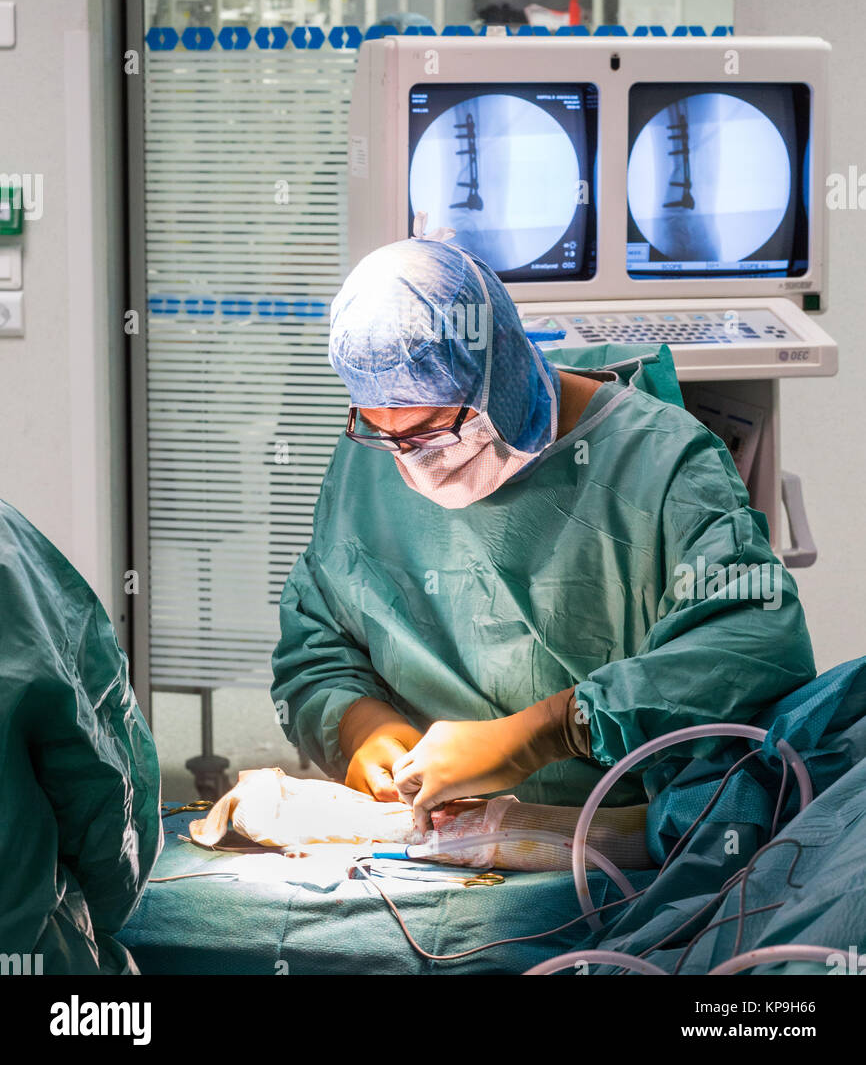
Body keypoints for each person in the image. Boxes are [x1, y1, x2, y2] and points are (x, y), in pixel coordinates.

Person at [271, 237, 815, 829]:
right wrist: (360, 724)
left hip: (618, 839)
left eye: (432, 428)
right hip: (433, 842)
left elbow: (752, 647)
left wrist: (556, 728)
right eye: (381, 429)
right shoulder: (367, 464)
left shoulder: (659, 461)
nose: (412, 460)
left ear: (498, 372)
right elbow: (317, 640)